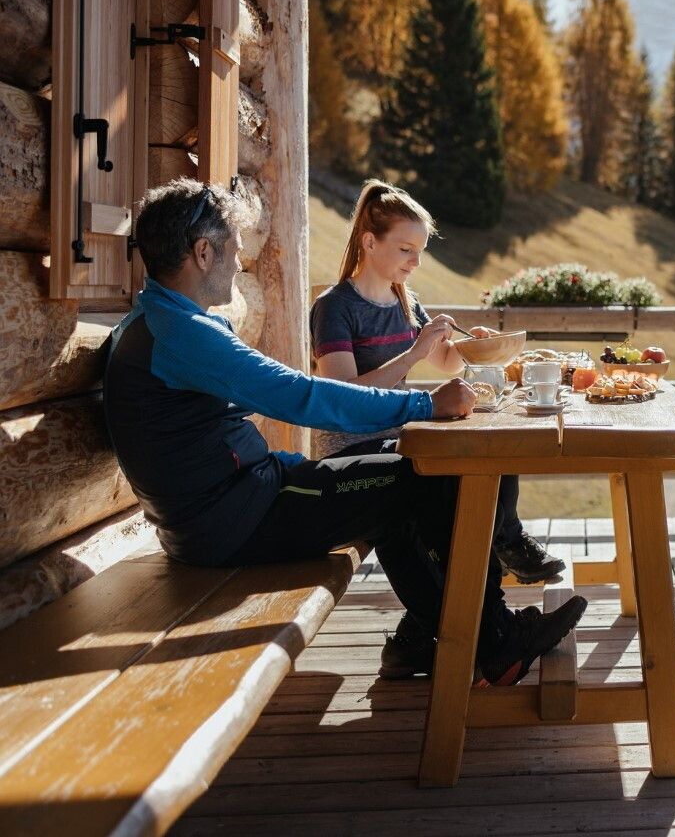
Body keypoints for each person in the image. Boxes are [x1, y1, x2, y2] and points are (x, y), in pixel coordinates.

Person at [102, 178, 585, 684]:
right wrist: (423, 402)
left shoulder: (160, 321)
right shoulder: (181, 333)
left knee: (401, 493)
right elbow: (302, 396)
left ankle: (436, 636)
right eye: (234, 248)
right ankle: (495, 640)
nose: (239, 258)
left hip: (232, 509)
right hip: (235, 521)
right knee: (432, 480)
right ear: (203, 252)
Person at [309, 180, 563, 586]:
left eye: (420, 252)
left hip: (402, 432)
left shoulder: (404, 299)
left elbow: (445, 360)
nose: (415, 262)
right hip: (355, 447)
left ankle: (506, 543)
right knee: (450, 479)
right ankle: (486, 572)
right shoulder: (334, 308)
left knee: (493, 436)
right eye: (405, 250)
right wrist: (412, 354)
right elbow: (344, 398)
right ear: (369, 242)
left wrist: (471, 347)